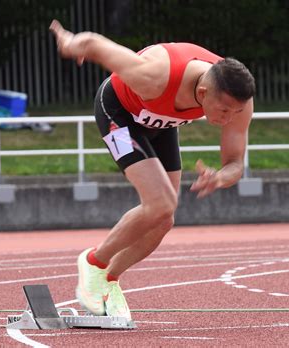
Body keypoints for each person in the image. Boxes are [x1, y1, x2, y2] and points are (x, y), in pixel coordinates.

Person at [49, 20, 255, 320]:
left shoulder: (238, 100)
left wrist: (220, 176)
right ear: (202, 91)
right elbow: (95, 45)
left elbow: (236, 163)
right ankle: (94, 262)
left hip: (162, 123)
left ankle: (108, 279)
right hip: (118, 112)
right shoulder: (154, 74)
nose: (229, 118)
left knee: (163, 219)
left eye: (235, 112)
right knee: (160, 203)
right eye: (224, 111)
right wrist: (70, 43)